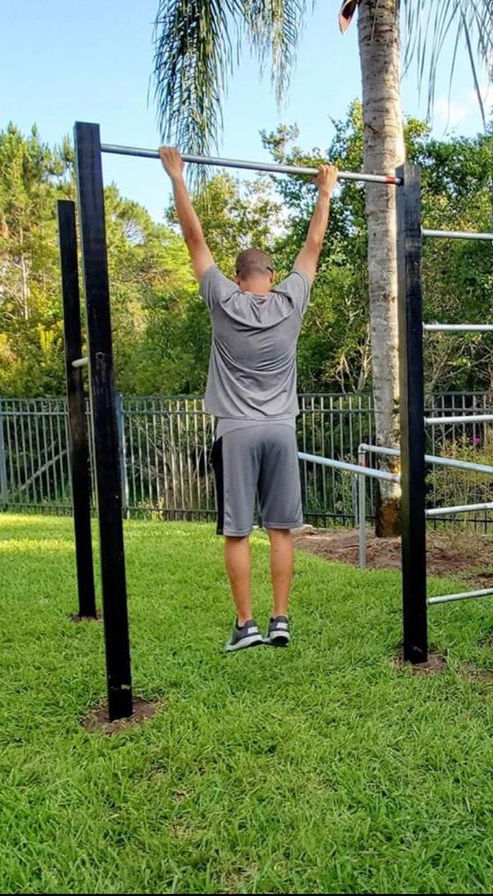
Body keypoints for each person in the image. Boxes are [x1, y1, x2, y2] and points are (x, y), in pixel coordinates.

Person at [159, 147, 339, 652]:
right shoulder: (290, 301)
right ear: (271, 275)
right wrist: (324, 190)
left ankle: (247, 627)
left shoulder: (222, 298)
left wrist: (177, 176)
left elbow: (194, 239)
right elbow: (315, 242)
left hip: (236, 430)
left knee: (238, 532)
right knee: (281, 528)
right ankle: (281, 620)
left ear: (238, 278)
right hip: (281, 429)